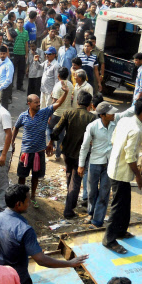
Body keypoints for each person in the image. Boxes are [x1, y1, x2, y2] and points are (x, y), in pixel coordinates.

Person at [0, 184, 88, 284]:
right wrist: (70, 263)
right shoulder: (24, 229)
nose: (29, 203)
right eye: (28, 201)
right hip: (17, 280)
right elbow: (41, 260)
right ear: (18, 204)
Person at [12, 81, 70, 208]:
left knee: (35, 176)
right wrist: (12, 142)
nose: (39, 104)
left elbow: (58, 103)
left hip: (39, 152)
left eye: (39, 102)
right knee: (22, 176)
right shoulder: (23, 116)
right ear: (29, 104)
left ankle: (32, 196)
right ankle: (22, 195)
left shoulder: (44, 112)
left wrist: (65, 92)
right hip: (26, 152)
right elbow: (15, 128)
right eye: (36, 102)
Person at [79, 101, 134, 227]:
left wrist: (138, 102)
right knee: (92, 192)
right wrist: (81, 165)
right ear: (102, 115)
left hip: (109, 164)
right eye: (110, 113)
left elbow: (128, 112)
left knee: (104, 193)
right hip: (94, 163)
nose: (114, 114)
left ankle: (97, 220)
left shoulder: (115, 121)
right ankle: (91, 213)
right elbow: (85, 146)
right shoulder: (92, 126)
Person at [102, 99, 142, 254]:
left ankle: (120, 231)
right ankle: (109, 239)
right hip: (121, 172)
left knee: (125, 202)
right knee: (118, 206)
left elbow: (113, 140)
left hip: (116, 167)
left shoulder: (125, 121)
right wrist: (138, 176)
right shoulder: (136, 130)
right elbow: (131, 158)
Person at [48, 91, 95, 219]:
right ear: (89, 104)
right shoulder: (92, 118)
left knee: (70, 175)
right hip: (81, 154)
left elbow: (57, 130)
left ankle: (70, 201)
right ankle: (68, 210)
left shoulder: (69, 113)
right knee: (75, 180)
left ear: (77, 101)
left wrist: (51, 142)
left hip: (67, 151)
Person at [0, 45, 14, 109]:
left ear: (7, 54)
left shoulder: (9, 64)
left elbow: (9, 80)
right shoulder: (0, 61)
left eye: (4, 54)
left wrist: (0, 88)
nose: (2, 55)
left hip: (5, 87)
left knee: (3, 106)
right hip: (0, 85)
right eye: (1, 54)